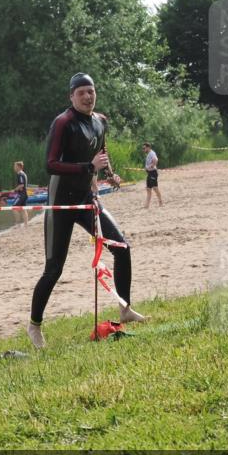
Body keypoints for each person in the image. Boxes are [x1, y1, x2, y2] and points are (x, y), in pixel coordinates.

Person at [27, 72, 145, 349]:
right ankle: (34, 325)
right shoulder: (63, 122)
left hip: (86, 199)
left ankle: (125, 307)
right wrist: (88, 167)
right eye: (81, 93)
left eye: (91, 91)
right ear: (71, 96)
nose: (87, 96)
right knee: (54, 268)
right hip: (61, 202)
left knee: (122, 247)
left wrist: (110, 174)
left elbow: (101, 152)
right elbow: (50, 164)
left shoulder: (100, 121)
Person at [142, 142, 163, 208]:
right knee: (148, 189)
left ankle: (160, 202)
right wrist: (146, 168)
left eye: (144, 148)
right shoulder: (148, 154)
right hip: (149, 173)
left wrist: (150, 167)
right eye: (143, 148)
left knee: (155, 188)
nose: (143, 150)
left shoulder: (152, 153)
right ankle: (147, 205)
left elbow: (156, 160)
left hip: (153, 173)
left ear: (148, 147)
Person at [12, 161, 30, 227]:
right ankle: (26, 224)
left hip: (22, 194)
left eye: (15, 166)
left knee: (14, 207)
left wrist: (14, 190)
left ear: (19, 167)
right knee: (23, 209)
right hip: (25, 194)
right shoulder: (23, 174)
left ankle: (18, 224)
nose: (14, 167)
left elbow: (22, 185)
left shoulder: (20, 174)